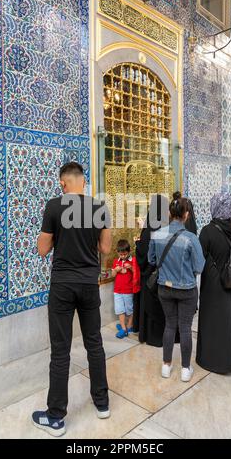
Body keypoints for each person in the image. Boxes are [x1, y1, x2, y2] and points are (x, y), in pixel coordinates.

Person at [32, 162, 112, 437]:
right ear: (83, 182)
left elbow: (43, 249)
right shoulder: (99, 207)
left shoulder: (54, 206)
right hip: (89, 284)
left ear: (63, 183)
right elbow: (105, 247)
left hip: (63, 286)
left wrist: (55, 236)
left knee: (61, 350)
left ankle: (56, 417)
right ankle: (102, 403)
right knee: (95, 344)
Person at [149, 196, 205, 382]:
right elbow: (199, 267)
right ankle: (185, 369)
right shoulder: (191, 238)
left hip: (164, 288)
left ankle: (166, 365)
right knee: (185, 328)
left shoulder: (156, 235)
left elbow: (151, 260)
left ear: (169, 214)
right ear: (186, 215)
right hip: (187, 290)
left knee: (170, 325)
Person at [196, 192, 231, 374]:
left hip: (214, 284)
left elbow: (199, 258)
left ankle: (214, 360)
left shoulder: (207, 231)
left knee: (214, 320)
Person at [135, 195, 168, 347]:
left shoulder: (149, 228)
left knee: (150, 305)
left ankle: (151, 337)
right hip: (165, 275)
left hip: (150, 276)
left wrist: (138, 245)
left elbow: (144, 253)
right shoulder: (167, 227)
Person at [112, 239, 141, 339]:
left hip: (128, 291)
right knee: (119, 309)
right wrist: (115, 270)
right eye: (121, 254)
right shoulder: (116, 261)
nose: (123, 256)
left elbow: (137, 274)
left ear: (129, 252)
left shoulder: (133, 261)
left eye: (125, 254)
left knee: (129, 310)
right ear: (117, 252)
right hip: (117, 291)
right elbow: (112, 274)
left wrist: (131, 268)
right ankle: (124, 329)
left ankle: (129, 326)